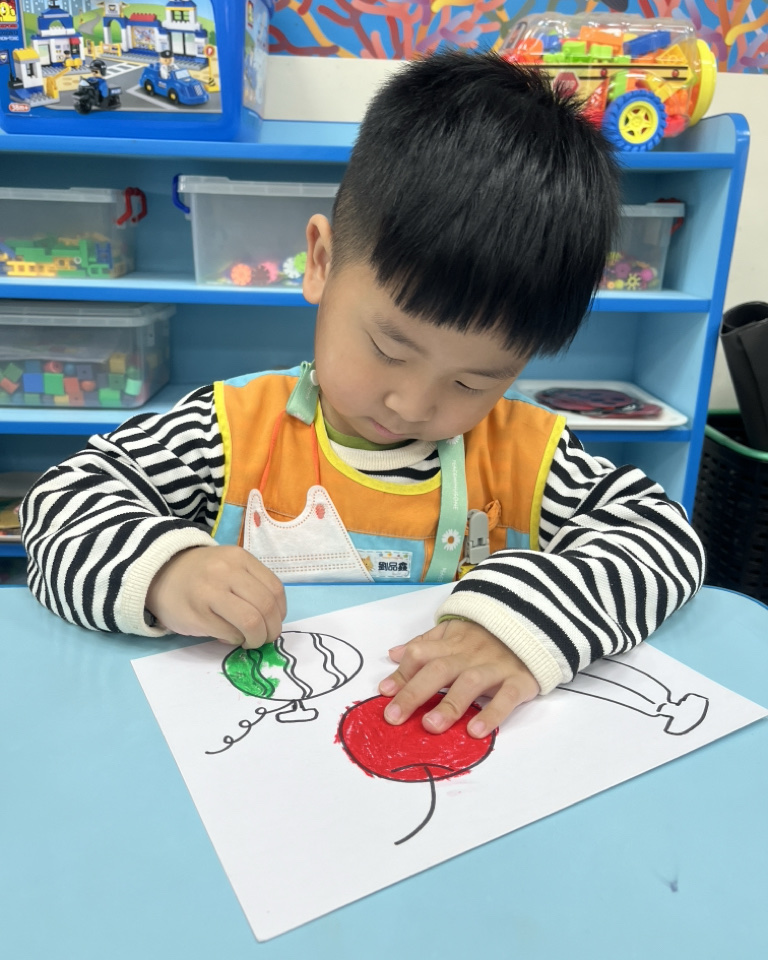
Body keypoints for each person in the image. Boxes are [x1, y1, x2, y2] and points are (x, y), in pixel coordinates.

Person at [20, 51, 704, 741]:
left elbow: (664, 539)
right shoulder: (226, 431)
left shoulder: (527, 455)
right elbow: (59, 504)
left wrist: (524, 625)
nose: (413, 405)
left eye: (473, 381)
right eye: (389, 350)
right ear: (321, 262)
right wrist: (168, 571)